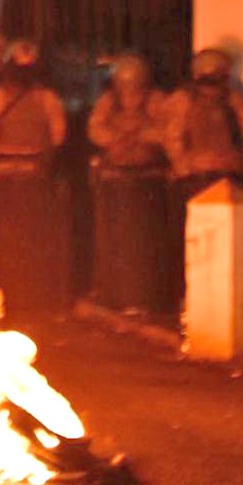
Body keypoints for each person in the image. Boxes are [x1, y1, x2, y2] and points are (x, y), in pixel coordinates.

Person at [161, 48, 243, 313]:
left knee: (194, 241)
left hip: (197, 178)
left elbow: (172, 137)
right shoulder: (233, 97)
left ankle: (191, 298)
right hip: (226, 177)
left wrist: (182, 169)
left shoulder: (185, 99)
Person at [0, 39, 69, 317]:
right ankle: (24, 298)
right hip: (28, 179)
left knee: (12, 242)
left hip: (13, 178)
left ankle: (17, 298)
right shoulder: (47, 100)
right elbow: (57, 139)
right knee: (26, 241)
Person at [86, 51, 171, 313]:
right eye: (125, 86)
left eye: (134, 86)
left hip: (149, 182)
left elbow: (168, 130)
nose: (130, 93)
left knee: (147, 242)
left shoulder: (157, 100)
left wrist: (141, 136)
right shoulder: (108, 101)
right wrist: (117, 138)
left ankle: (149, 294)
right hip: (116, 181)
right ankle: (114, 292)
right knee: (115, 241)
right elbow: (95, 129)